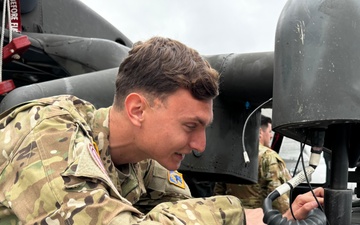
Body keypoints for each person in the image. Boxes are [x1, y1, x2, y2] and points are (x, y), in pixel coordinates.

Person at [0, 36, 322, 224]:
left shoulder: (142, 159)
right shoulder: (48, 134)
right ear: (137, 110)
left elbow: (184, 206)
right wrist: (231, 213)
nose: (199, 144)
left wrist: (279, 216)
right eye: (190, 126)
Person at [214, 115, 292, 214]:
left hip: (233, 218)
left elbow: (218, 193)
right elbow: (279, 198)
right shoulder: (269, 157)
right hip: (258, 219)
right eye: (269, 132)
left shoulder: (228, 155)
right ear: (259, 132)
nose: (271, 136)